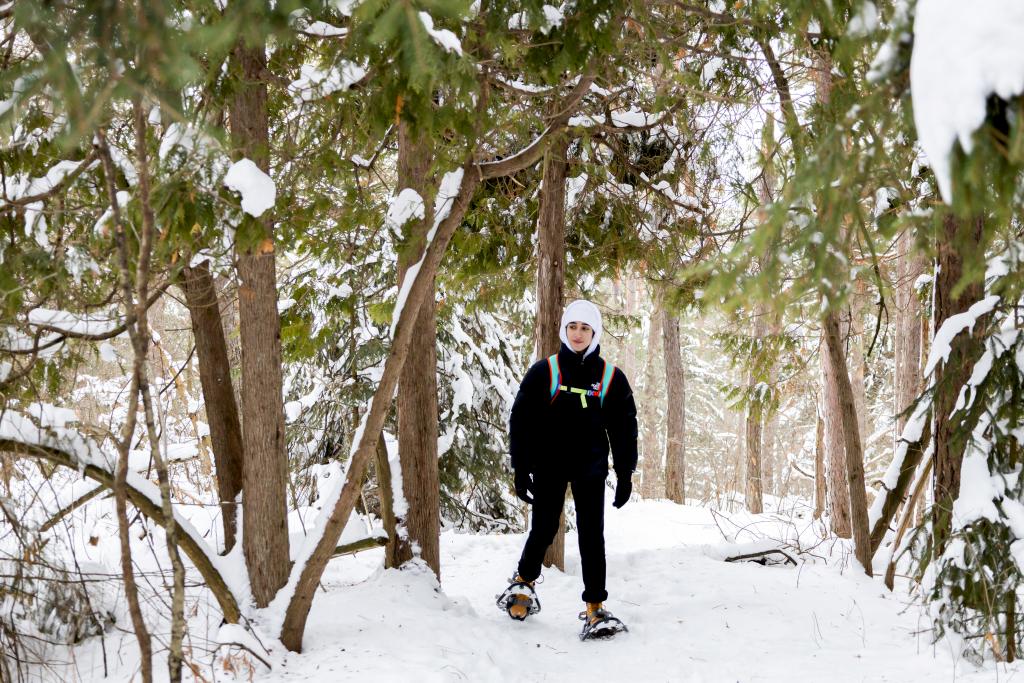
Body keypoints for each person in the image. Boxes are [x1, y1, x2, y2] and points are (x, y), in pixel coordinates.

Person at [497, 299, 638, 639]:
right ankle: (523, 585)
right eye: (573, 327)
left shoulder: (610, 377)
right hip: (550, 464)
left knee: (592, 535)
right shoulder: (545, 371)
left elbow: (624, 428)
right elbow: (522, 420)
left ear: (595, 333)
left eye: (585, 328)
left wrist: (625, 473)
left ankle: (595, 607)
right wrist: (521, 467)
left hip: (591, 467)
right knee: (544, 527)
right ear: (564, 329)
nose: (578, 334)